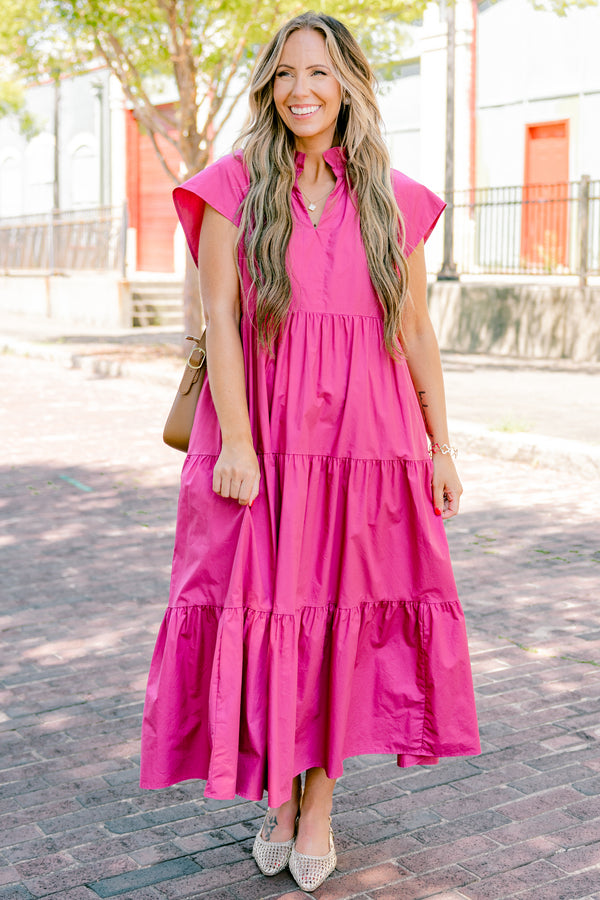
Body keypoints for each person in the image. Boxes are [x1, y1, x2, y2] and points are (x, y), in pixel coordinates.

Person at [140, 11, 480, 893]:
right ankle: (276, 799)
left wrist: (442, 444)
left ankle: (318, 803)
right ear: (268, 85)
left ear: (348, 86)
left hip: (369, 446)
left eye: (319, 74)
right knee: (264, 615)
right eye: (287, 73)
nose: (302, 90)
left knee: (338, 625)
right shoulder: (229, 189)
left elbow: (414, 332)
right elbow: (218, 319)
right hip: (264, 444)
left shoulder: (391, 199)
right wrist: (240, 443)